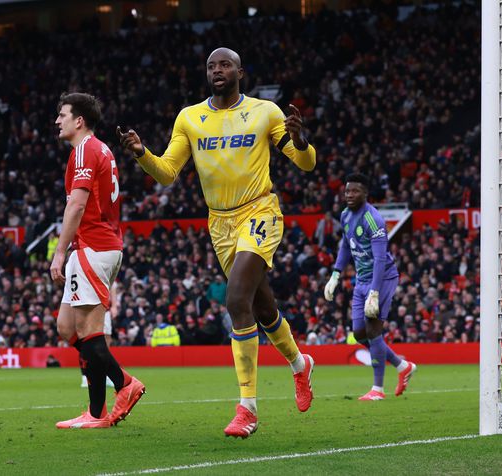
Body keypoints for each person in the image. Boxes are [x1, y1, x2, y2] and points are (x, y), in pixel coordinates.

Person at [118, 47, 315, 438]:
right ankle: (299, 365)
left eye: (225, 64)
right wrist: (143, 154)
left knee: (236, 300)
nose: (217, 70)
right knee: (262, 306)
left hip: (259, 212)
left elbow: (305, 163)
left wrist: (301, 141)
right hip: (220, 224)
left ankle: (248, 408)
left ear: (241, 71)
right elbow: (168, 173)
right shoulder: (190, 118)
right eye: (211, 66)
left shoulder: (266, 112)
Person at [51, 92, 145, 429]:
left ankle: (122, 386)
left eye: (62, 115)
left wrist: (59, 251)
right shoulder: (100, 149)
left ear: (79, 120)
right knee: (67, 328)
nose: (57, 121)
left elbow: (76, 205)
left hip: (92, 246)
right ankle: (95, 412)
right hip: (98, 246)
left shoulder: (84, 150)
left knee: (90, 334)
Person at [324, 173, 417, 400]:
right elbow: (346, 246)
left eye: (354, 191)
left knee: (374, 330)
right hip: (362, 279)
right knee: (358, 333)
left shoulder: (374, 220)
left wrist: (374, 293)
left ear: (366, 193)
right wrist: (335, 275)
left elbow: (380, 259)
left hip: (382, 279)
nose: (349, 195)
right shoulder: (345, 215)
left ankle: (377, 389)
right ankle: (402, 366)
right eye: (347, 191)